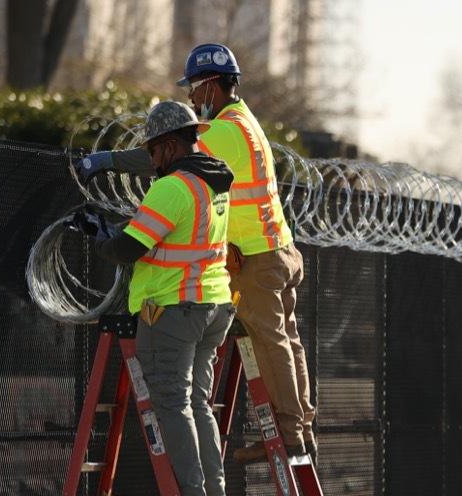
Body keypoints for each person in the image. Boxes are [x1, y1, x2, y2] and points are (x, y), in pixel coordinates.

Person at [78, 43, 317, 466]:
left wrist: (107, 160)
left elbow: (165, 153)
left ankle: (290, 435)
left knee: (271, 341)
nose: (191, 98)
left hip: (257, 258)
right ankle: (301, 428)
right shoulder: (247, 123)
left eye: (193, 88)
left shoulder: (224, 130)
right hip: (279, 247)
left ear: (210, 86)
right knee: (288, 340)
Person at [75, 100, 236, 496]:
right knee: (199, 405)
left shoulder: (172, 188)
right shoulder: (215, 182)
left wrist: (99, 235)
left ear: (168, 146)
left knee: (172, 406)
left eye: (151, 151)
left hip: (173, 310)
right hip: (213, 305)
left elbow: (130, 247)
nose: (150, 159)